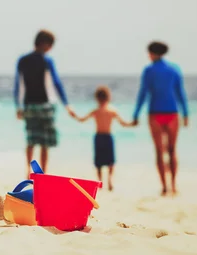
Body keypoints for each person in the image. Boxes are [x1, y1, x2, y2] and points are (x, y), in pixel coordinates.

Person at [14, 29, 76, 176]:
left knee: (30, 139)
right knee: (44, 142)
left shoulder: (22, 60)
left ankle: (28, 170)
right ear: (46, 44)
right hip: (46, 106)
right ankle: (43, 172)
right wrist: (66, 104)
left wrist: (18, 106)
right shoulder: (47, 60)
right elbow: (56, 82)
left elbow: (18, 85)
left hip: (29, 105)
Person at [132, 41, 189, 196]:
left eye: (149, 53)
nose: (148, 56)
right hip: (172, 113)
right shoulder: (174, 69)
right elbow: (180, 93)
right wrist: (186, 113)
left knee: (159, 151)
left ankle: (164, 187)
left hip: (155, 113)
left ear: (154, 53)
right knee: (172, 150)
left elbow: (143, 93)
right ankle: (174, 185)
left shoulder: (149, 70)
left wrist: (136, 114)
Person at [74, 86, 134, 191]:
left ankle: (100, 181)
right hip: (108, 137)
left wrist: (74, 115)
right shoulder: (112, 111)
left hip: (99, 137)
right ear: (109, 97)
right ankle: (110, 181)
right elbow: (123, 123)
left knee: (99, 161)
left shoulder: (96, 111)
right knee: (110, 161)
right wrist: (132, 123)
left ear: (96, 98)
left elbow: (82, 119)